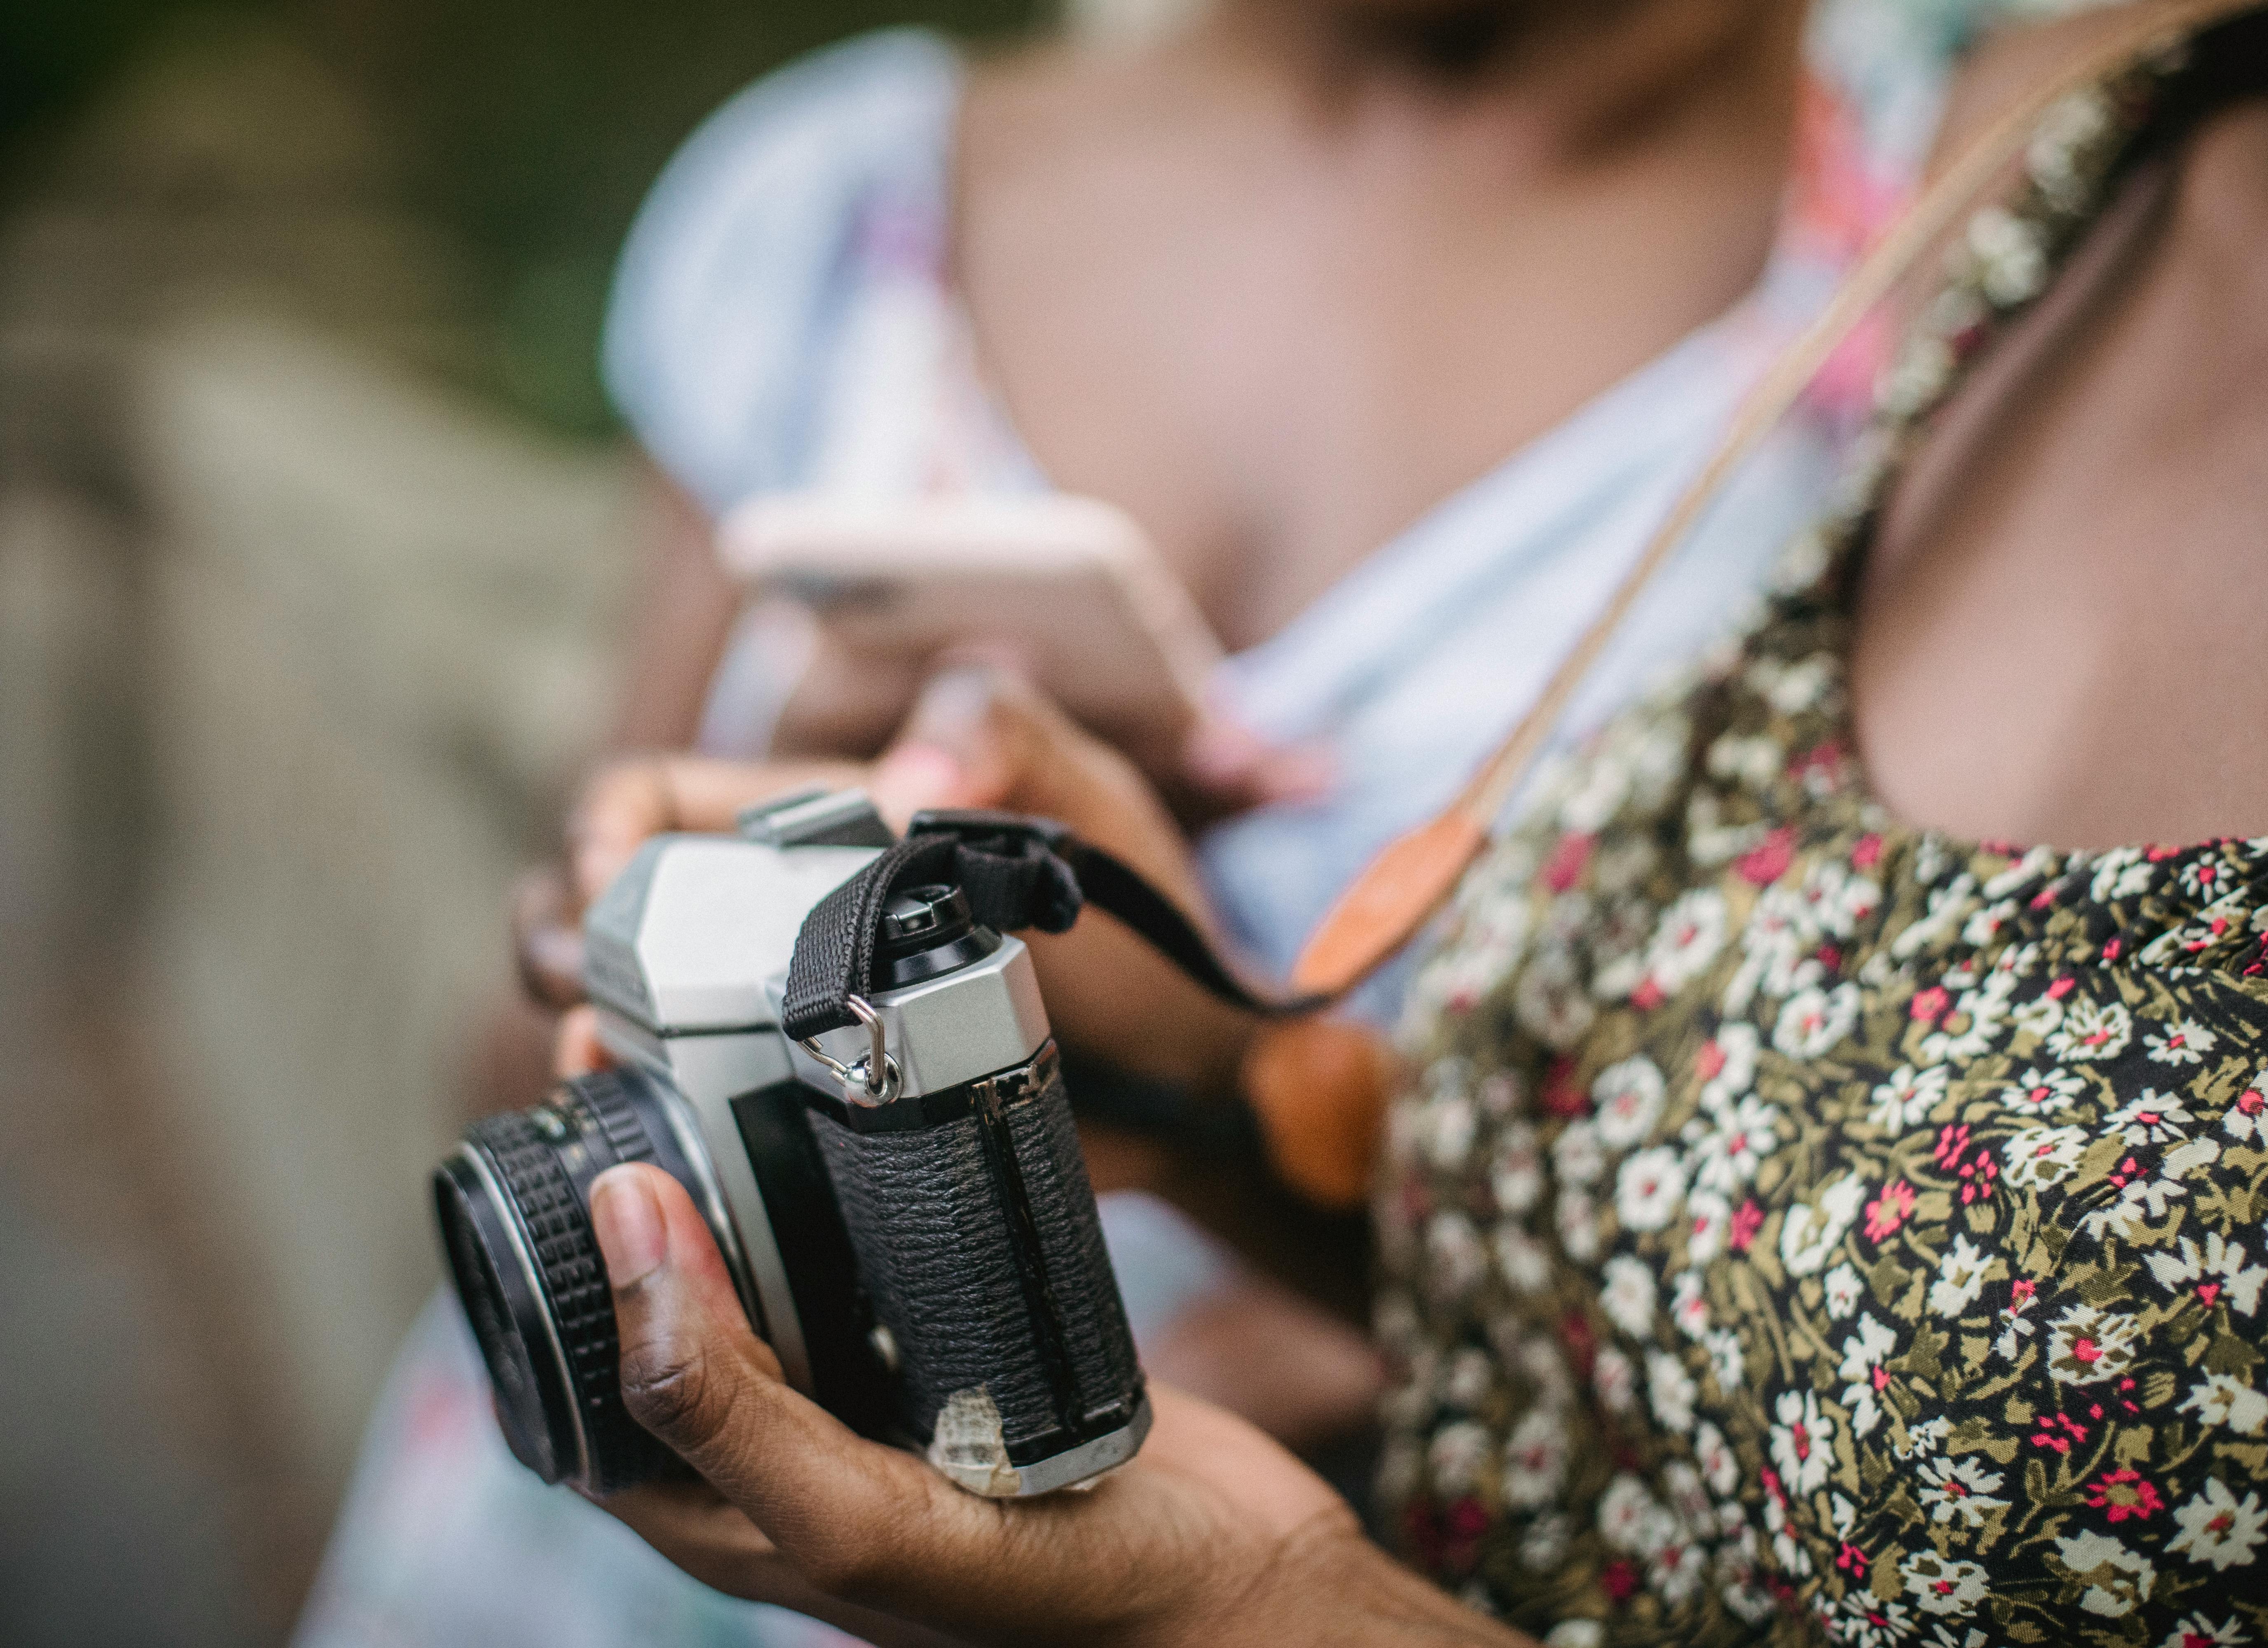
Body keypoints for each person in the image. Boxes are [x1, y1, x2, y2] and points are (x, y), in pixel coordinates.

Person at [550, 0, 2268, 1641]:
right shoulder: (2073, 152)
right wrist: (1208, 1081)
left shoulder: (1874, 197)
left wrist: (1262, 1605)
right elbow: (1729, 1308)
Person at [298, 0, 2049, 1642]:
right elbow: (517, 1072)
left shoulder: (2007, 226)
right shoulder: (839, 202)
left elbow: (1941, 1293)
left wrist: (1360, 1323)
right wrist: (732, 871)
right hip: (580, 1546)